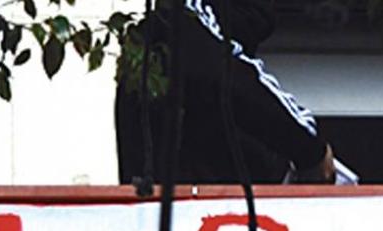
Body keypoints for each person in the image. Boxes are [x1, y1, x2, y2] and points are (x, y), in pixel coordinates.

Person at [114, 0, 338, 184]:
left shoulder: (167, 37)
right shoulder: (182, 21)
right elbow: (229, 81)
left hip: (193, 209)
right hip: (191, 211)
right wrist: (310, 151)